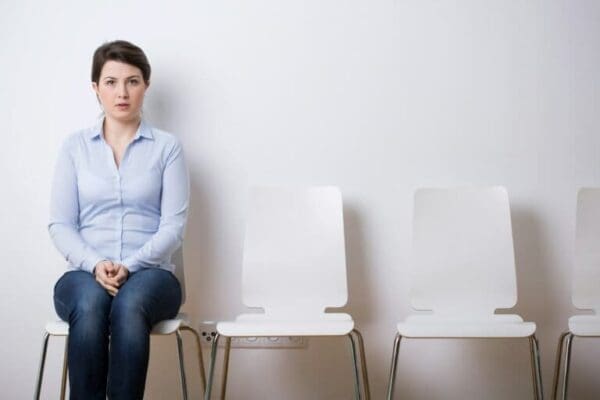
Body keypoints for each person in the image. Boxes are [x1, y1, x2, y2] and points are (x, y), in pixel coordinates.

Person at [48, 40, 189, 400]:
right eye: (110, 82)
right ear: (95, 88)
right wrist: (96, 265)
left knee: (128, 307)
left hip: (152, 275)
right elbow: (61, 225)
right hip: (83, 274)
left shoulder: (167, 148)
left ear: (146, 86)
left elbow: (173, 226)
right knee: (91, 304)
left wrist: (128, 266)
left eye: (133, 81)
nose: (122, 92)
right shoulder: (74, 147)